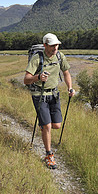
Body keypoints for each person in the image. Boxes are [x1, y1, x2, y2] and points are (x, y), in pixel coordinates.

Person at [24, 33, 75, 169]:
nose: (55, 48)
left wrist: (70, 87)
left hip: (54, 94)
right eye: (52, 45)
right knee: (47, 127)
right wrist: (38, 77)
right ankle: (49, 155)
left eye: (57, 45)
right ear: (45, 45)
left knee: (56, 125)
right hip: (39, 95)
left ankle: (44, 125)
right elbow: (26, 79)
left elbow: (66, 72)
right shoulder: (37, 58)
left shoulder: (59, 56)